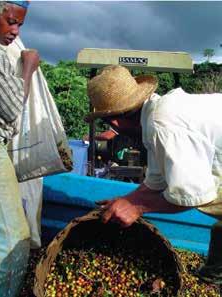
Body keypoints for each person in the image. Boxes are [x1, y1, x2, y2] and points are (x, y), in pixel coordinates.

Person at [85, 65, 222, 285]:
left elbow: (193, 195)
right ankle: (212, 280)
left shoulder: (163, 123)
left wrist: (137, 207)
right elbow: (156, 182)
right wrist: (128, 200)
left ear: (115, 123)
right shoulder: (157, 115)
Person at [0, 1, 40, 296]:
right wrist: (28, 68)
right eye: (11, 22)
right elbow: (10, 109)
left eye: (20, 25)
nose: (15, 32)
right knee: (11, 243)